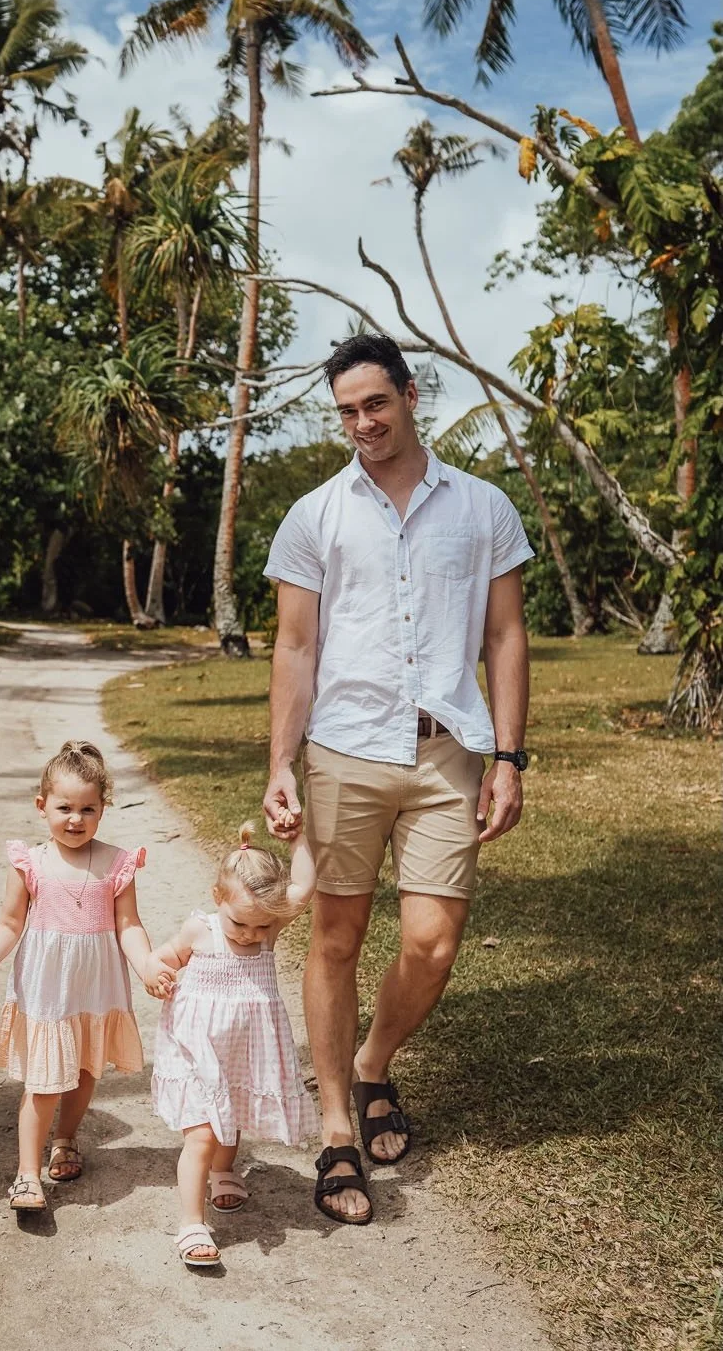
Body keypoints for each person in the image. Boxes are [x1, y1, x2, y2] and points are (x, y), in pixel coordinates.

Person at [261, 332, 531, 1227]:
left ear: (410, 396)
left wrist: (508, 757)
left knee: (431, 943)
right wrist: (280, 765)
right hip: (343, 749)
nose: (361, 423)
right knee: (334, 940)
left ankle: (373, 1062)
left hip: (448, 748)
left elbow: (503, 638)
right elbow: (295, 646)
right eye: (344, 410)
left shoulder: (484, 507)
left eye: (373, 404)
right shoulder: (314, 515)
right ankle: (337, 1125)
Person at [0, 741, 171, 1213]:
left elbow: (129, 925)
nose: (75, 819)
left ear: (102, 810)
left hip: (95, 987)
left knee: (84, 1070)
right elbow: (10, 923)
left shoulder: (118, 863)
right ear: (42, 807)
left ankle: (66, 1137)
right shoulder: (30, 862)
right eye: (64, 808)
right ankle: (26, 1174)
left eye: (87, 809)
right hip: (48, 988)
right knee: (44, 1079)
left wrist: (148, 965)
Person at [148, 823, 317, 1269]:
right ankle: (191, 1223)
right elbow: (164, 956)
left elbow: (304, 887)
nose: (248, 933)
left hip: (242, 1047)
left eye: (260, 926)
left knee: (233, 1112)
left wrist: (298, 839)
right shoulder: (200, 930)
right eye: (239, 922)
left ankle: (225, 1172)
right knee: (203, 1132)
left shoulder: (268, 928)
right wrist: (158, 974)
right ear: (218, 897)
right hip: (196, 1046)